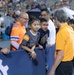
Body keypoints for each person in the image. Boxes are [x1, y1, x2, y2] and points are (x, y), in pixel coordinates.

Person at [48, 10, 74, 75]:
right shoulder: (70, 29)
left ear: (56, 19)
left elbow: (60, 54)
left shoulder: (61, 33)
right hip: (70, 64)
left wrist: (52, 70)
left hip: (63, 65)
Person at [40, 9, 56, 73]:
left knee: (50, 67)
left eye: (44, 15)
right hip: (49, 46)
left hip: (50, 47)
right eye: (41, 15)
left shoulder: (48, 25)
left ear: (48, 15)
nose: (43, 16)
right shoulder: (47, 23)